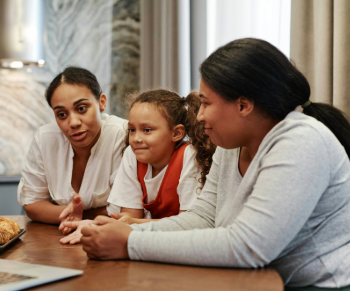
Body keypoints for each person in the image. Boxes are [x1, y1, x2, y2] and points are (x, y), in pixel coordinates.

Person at [80, 38, 350, 288]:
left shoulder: (300, 143)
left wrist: (130, 243)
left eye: (206, 104)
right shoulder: (232, 144)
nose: (198, 116)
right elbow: (204, 218)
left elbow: (248, 247)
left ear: (243, 106)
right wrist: (124, 230)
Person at [60, 89, 216, 244]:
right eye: (132, 130)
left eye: (147, 130)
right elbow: (129, 216)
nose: (136, 139)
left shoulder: (188, 155)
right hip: (151, 241)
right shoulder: (132, 155)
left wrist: (133, 224)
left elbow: (188, 225)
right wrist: (98, 226)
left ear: (176, 133)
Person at [17, 66, 127, 232]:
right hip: (56, 239)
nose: (73, 122)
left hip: (109, 237)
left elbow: (125, 210)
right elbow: (32, 205)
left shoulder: (122, 134)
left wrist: (74, 214)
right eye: (62, 114)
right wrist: (72, 214)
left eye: (81, 108)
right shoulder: (45, 138)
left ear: (101, 102)